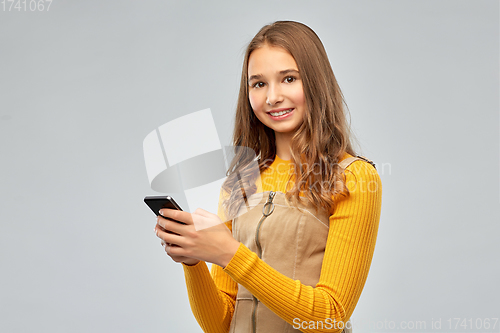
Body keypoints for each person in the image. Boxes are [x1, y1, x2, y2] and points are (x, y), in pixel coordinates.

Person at [154, 21, 382, 333]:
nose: (272, 97)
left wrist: (229, 253)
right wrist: (193, 260)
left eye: (289, 79)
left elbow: (329, 317)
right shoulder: (239, 183)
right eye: (258, 84)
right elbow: (220, 325)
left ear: (316, 83)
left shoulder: (353, 178)